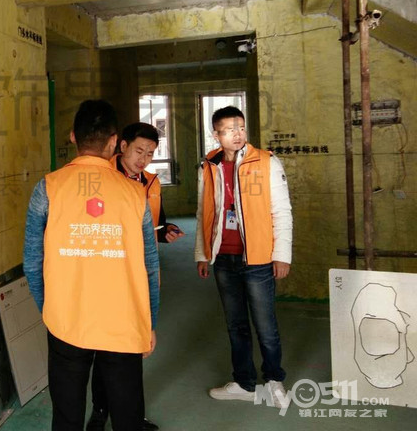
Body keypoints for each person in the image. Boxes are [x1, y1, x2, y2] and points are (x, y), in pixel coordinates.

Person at [24, 100, 161, 431]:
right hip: (124, 320)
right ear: (114, 142)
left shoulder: (48, 188)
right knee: (127, 415)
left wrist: (49, 309)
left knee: (67, 415)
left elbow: (32, 262)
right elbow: (150, 266)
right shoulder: (135, 194)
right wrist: (149, 322)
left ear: (73, 136)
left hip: (66, 319)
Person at [87, 122, 183, 431]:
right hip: (108, 273)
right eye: (139, 151)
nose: (144, 159)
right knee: (104, 348)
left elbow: (156, 224)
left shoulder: (151, 182)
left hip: (140, 274)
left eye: (150, 154)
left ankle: (132, 417)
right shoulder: (101, 177)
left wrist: (165, 232)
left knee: (135, 347)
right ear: (122, 146)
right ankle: (100, 410)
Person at [195, 106, 292, 407]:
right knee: (236, 325)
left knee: (265, 325)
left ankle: (274, 382)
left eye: (240, 127)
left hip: (258, 258)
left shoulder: (265, 161)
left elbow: (282, 211)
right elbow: (203, 212)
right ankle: (244, 382)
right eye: (229, 130)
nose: (237, 134)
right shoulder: (209, 165)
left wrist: (282, 254)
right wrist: (202, 254)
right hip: (224, 257)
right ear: (216, 135)